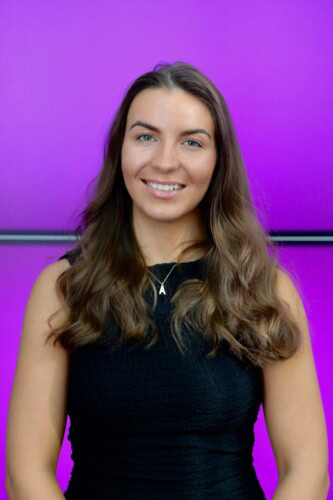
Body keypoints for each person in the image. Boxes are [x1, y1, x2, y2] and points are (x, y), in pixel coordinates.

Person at [6, 61, 329, 499]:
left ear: (219, 160)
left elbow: (306, 470)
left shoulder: (265, 289)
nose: (165, 161)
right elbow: (26, 472)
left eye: (192, 143)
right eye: (145, 136)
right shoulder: (62, 288)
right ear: (120, 148)